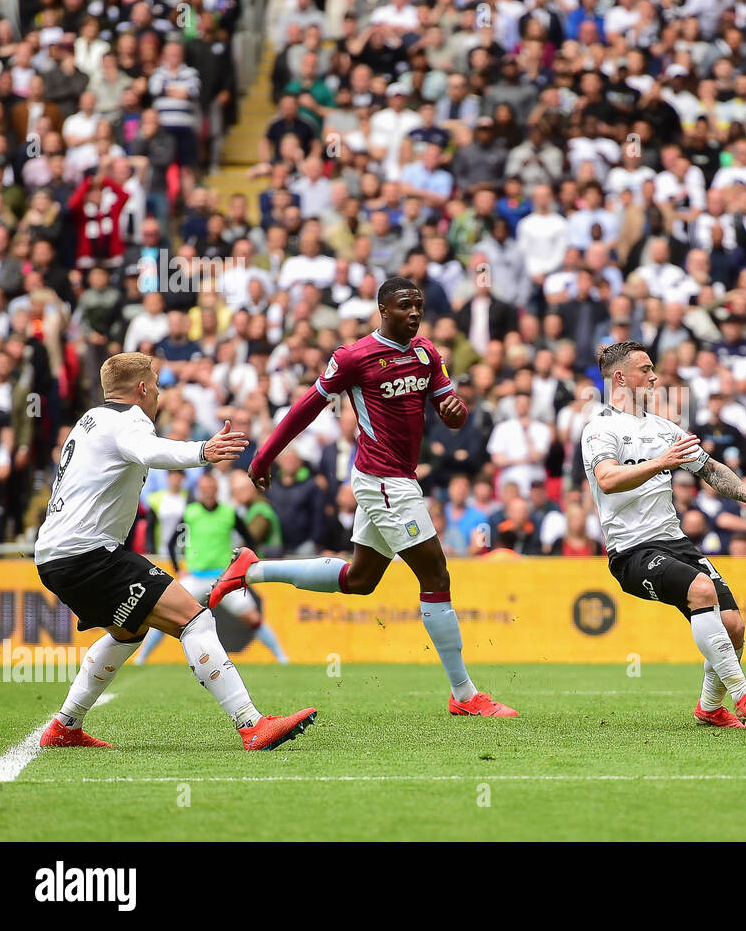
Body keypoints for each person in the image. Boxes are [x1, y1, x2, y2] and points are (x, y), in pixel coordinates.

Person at [207, 277, 517, 717]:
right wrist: (265, 454)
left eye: (419, 305)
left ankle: (252, 570)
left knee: (360, 580)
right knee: (436, 575)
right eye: (405, 305)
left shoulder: (428, 353)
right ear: (383, 310)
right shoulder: (353, 357)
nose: (414, 312)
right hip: (382, 480)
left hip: (399, 479)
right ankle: (464, 695)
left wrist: (456, 411)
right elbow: (307, 406)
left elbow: (454, 415)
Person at [33, 352, 315, 751]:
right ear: (143, 388)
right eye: (158, 384)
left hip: (55, 554)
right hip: (87, 553)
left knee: (129, 632)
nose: (159, 393)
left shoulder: (89, 421)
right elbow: (149, 452)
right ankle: (252, 724)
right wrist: (204, 450)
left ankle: (65, 726)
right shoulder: (128, 420)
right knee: (195, 621)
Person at [582, 340, 746, 729]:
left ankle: (710, 707)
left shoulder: (664, 429)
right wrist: (662, 462)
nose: (654, 376)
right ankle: (744, 694)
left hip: (674, 542)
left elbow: (710, 469)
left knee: (734, 626)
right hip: (631, 550)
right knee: (701, 590)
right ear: (620, 377)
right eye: (645, 369)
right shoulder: (599, 428)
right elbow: (607, 480)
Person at [135, 471, 290, 664]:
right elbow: (171, 543)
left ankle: (282, 657)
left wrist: (243, 564)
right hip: (196, 577)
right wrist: (177, 568)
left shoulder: (228, 512)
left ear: (217, 489)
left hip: (224, 578)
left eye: (211, 488)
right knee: (166, 615)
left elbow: (250, 539)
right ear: (199, 490)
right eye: (204, 489)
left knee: (252, 617)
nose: (208, 492)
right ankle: (141, 658)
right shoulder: (190, 512)